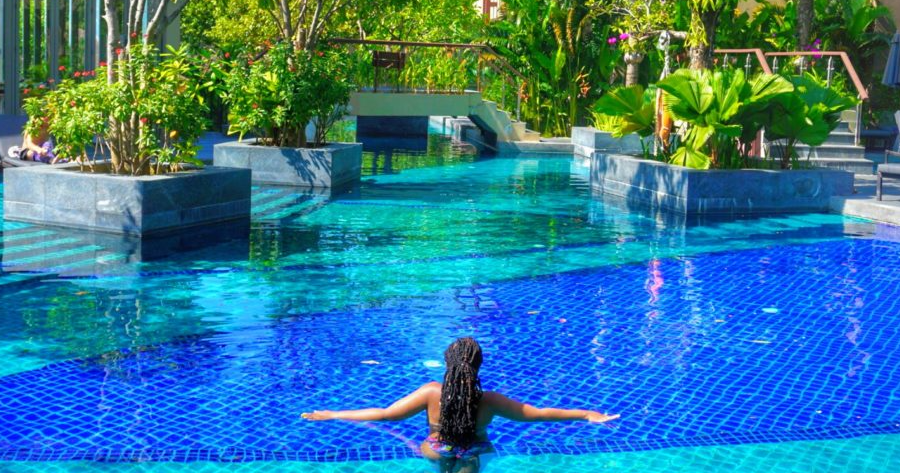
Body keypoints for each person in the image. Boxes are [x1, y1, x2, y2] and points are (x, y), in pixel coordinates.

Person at [302, 337, 620, 473]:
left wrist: (333, 414)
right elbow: (537, 415)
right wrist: (586, 414)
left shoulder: (430, 393)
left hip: (436, 449)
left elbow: (386, 414)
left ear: (447, 363)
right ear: (478, 365)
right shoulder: (489, 400)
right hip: (474, 452)